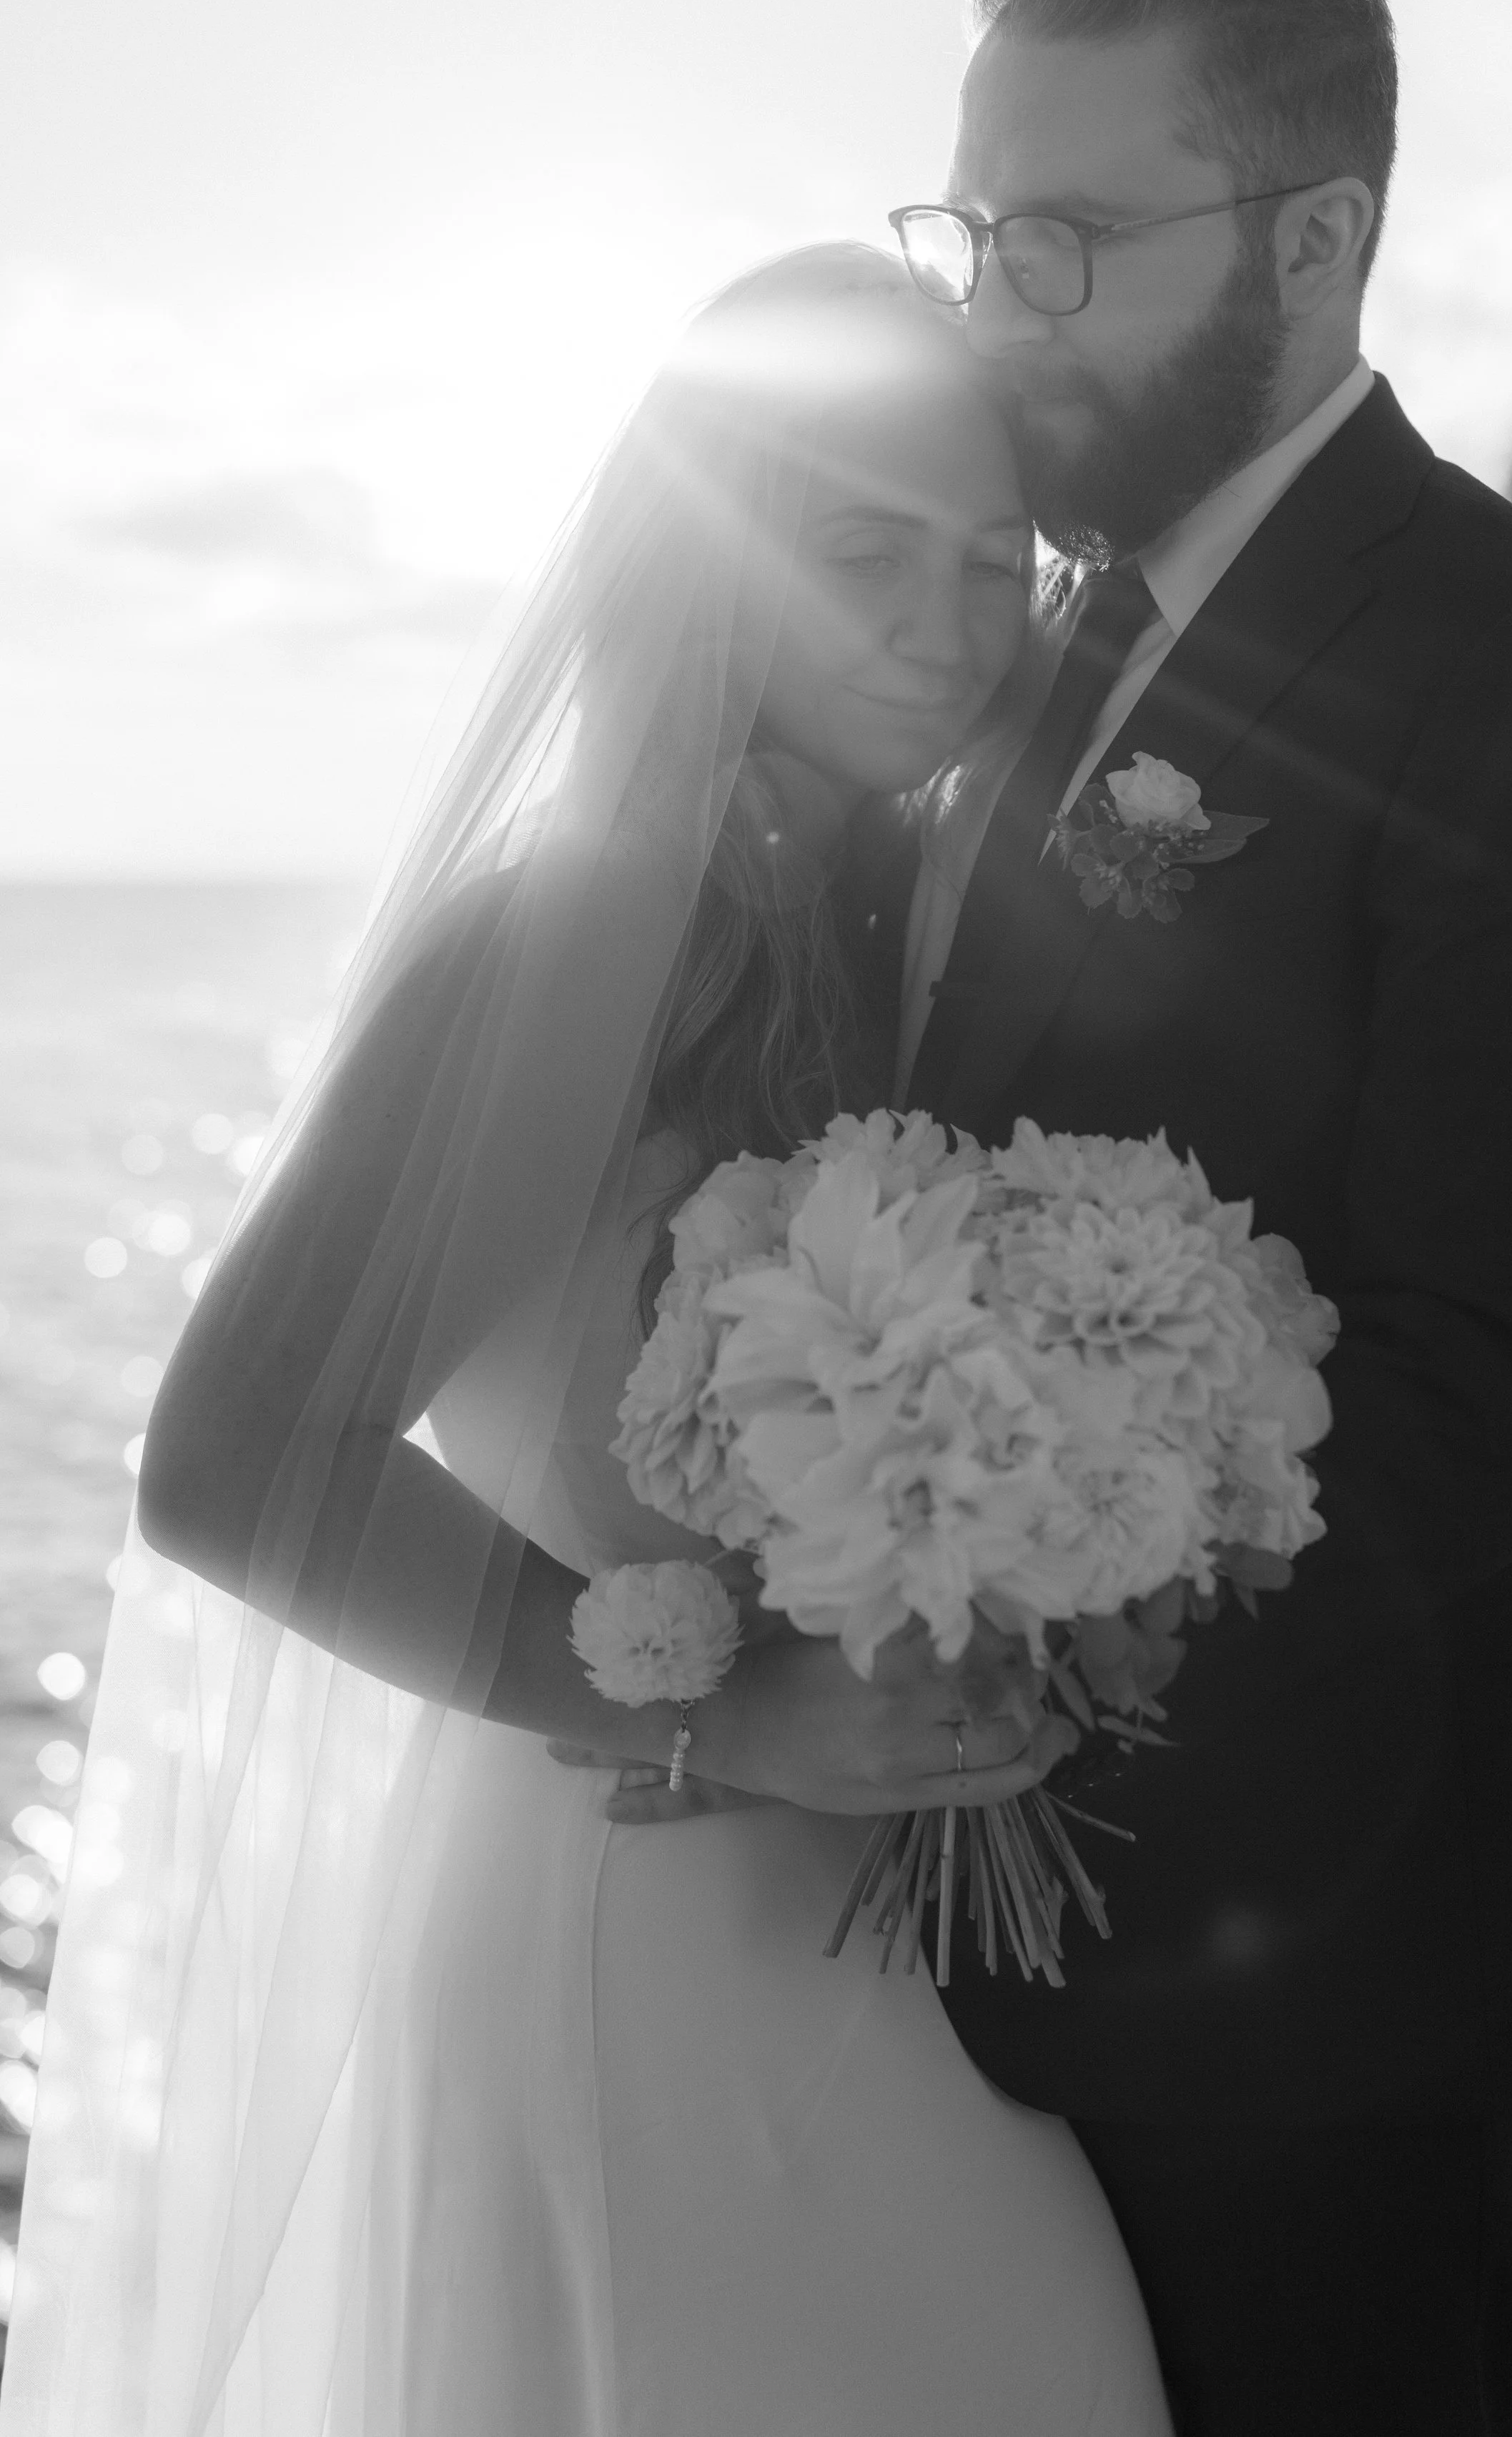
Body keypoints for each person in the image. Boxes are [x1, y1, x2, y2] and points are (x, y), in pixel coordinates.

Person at [0, 248, 1173, 2436]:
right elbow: (236, 1454)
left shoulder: (864, 902)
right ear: (705, 547)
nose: (941, 618)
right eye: (857, 549)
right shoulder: (604, 900)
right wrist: (740, 1713)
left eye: (987, 559)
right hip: (639, 1914)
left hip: (811, 1910)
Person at [858, 0, 1512, 2436]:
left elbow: (1496, 1377)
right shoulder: (1004, 638)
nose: (992, 305)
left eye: (1066, 241)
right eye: (968, 230)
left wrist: (998, 1628)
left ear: (1316, 234)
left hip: (1311, 1950)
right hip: (930, 1927)